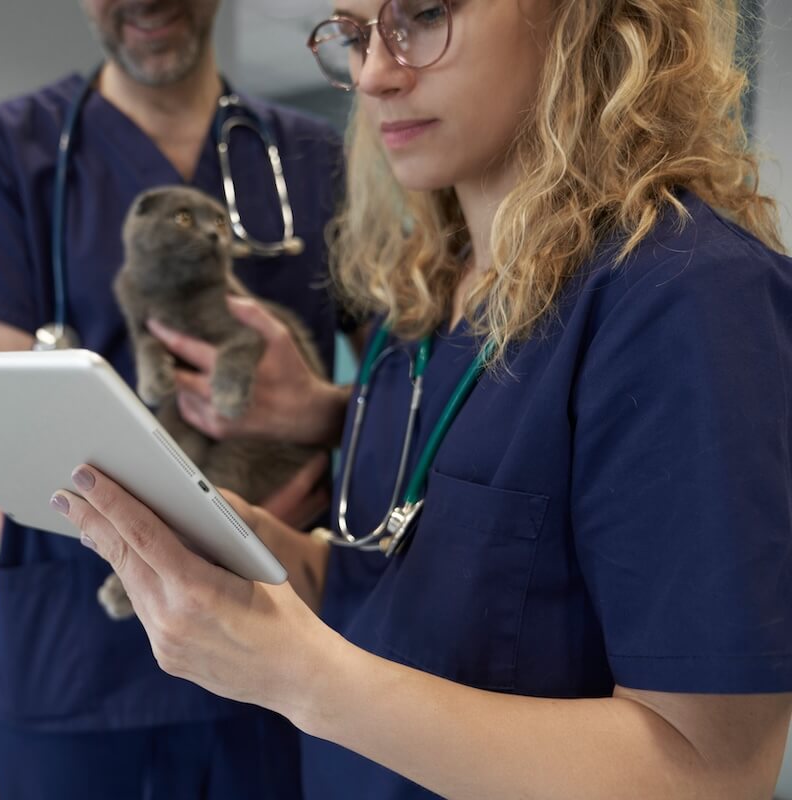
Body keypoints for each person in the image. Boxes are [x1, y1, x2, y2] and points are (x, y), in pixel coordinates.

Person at [52, 0, 792, 797]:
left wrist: (299, 677)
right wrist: (268, 557)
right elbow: (396, 581)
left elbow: (714, 772)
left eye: (425, 13)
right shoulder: (417, 301)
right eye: (358, 34)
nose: (374, 74)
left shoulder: (688, 295)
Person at [0, 0, 349, 796]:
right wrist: (203, 523)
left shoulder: (318, 159)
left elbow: (421, 392)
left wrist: (321, 409)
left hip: (279, 651)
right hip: (77, 666)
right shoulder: (6, 152)